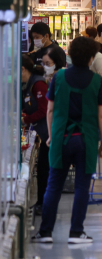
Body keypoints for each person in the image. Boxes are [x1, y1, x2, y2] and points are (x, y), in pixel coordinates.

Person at [31, 36, 102, 245]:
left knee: (53, 185)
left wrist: (50, 137)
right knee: (82, 187)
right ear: (92, 57)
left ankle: (45, 232)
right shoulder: (98, 82)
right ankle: (76, 232)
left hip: (60, 139)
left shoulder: (59, 78)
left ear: (71, 55)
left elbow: (50, 110)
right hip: (86, 140)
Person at [21, 55, 50, 214]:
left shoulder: (38, 84)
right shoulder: (30, 84)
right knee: (44, 170)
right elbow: (32, 106)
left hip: (48, 134)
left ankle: (43, 204)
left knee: (45, 170)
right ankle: (42, 203)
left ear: (23, 69)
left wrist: (26, 119)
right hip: (42, 132)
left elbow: (44, 110)